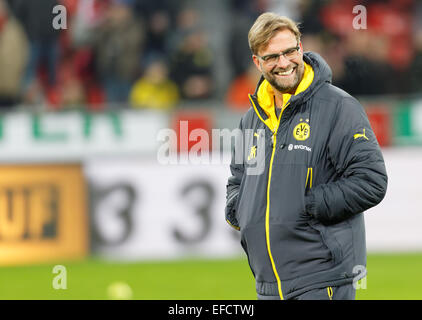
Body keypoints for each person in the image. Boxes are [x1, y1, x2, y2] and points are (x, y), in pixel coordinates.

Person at [225, 13, 388, 300]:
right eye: (272, 56)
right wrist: (243, 211)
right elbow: (237, 181)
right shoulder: (251, 120)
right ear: (257, 62)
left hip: (321, 280)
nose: (284, 62)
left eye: (290, 51)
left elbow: (371, 181)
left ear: (301, 48)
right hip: (268, 285)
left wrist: (305, 205)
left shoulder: (339, 107)